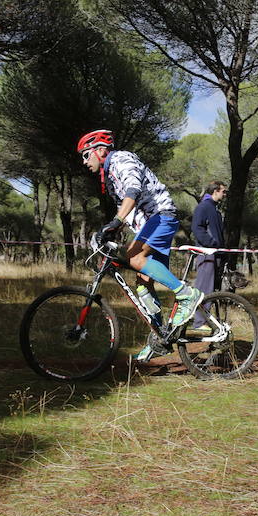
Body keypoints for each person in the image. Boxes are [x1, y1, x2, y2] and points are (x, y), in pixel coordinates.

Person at [76, 129, 203, 363]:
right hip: (149, 222)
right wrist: (110, 229)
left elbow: (133, 190)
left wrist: (115, 222)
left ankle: (187, 294)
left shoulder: (120, 159)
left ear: (100, 151)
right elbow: (128, 208)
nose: (84, 162)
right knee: (143, 284)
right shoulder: (110, 174)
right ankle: (160, 338)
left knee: (134, 258)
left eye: (86, 155)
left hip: (161, 215)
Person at [189, 180, 227, 334]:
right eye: (223, 191)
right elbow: (197, 228)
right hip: (207, 255)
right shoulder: (203, 207)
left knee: (211, 290)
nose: (225, 194)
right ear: (215, 191)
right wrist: (211, 245)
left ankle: (206, 319)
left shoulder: (214, 209)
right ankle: (199, 322)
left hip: (215, 255)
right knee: (203, 288)